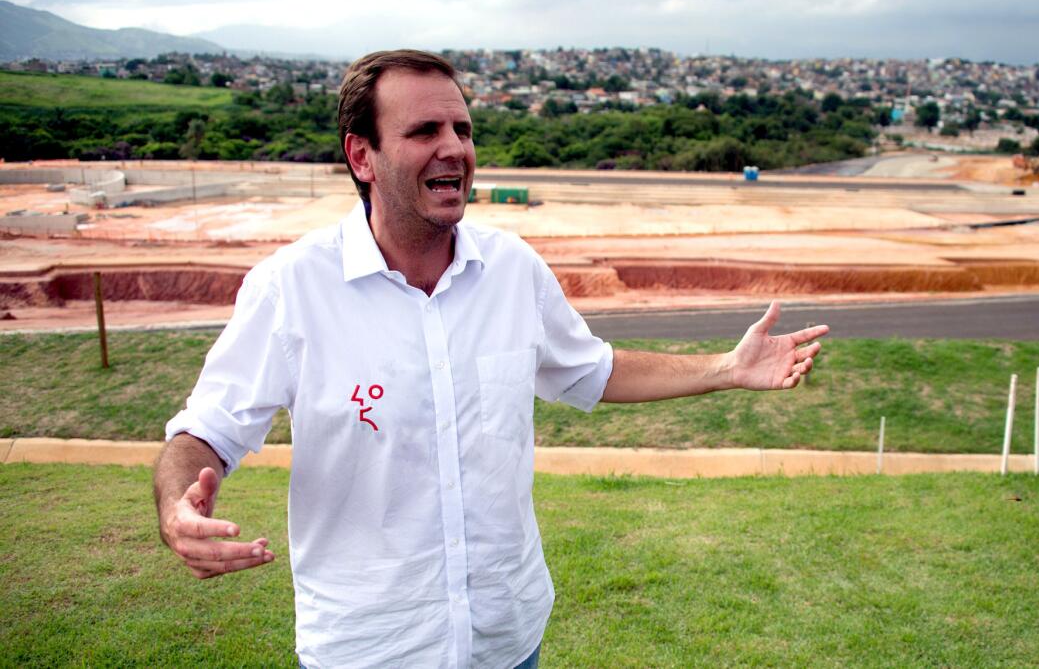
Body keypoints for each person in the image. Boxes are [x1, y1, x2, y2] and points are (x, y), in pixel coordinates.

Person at [154, 49, 828, 668]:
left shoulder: (512, 269)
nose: (455, 148)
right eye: (425, 132)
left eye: (464, 130)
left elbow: (590, 369)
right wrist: (178, 508)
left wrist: (726, 368)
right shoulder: (291, 287)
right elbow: (206, 430)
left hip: (507, 640)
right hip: (371, 648)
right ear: (363, 155)